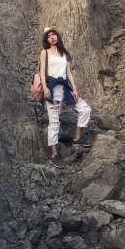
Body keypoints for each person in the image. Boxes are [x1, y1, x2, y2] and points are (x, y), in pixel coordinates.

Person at [40, 27, 92, 168]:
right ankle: (54, 154)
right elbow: (42, 71)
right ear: (46, 40)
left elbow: (68, 72)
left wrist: (74, 87)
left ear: (58, 36)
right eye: (49, 36)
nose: (52, 37)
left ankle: (78, 137)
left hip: (65, 87)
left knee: (85, 109)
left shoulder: (63, 53)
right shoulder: (45, 52)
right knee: (54, 122)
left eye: (54, 34)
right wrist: (45, 88)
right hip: (52, 88)